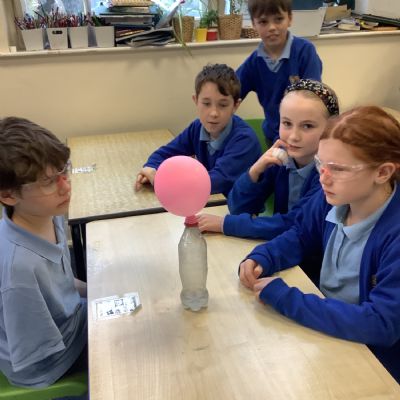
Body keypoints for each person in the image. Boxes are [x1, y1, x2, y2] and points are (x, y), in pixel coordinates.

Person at [239, 106, 400, 383]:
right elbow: (301, 235)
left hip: (376, 364)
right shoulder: (334, 198)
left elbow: (381, 323)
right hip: (330, 331)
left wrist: (287, 299)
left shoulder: (394, 233)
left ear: (383, 172)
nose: (323, 177)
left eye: (337, 169)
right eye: (320, 164)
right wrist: (265, 256)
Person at [0, 117, 88, 389]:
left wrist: (97, 291)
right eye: (48, 182)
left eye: (64, 170)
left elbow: (60, 285)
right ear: (8, 195)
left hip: (69, 323)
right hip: (50, 361)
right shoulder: (20, 271)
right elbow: (35, 350)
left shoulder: (47, 214)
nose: (65, 186)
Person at [197, 80, 339, 244]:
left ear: (330, 129)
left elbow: (294, 224)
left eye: (307, 126)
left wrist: (226, 224)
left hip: (311, 257)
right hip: (282, 247)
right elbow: (237, 208)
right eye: (287, 123)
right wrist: (255, 172)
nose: (294, 136)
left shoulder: (328, 174)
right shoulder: (282, 158)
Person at [135, 63, 262, 197]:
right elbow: (164, 154)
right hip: (207, 201)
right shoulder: (197, 127)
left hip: (237, 208)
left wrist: (163, 181)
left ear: (235, 105)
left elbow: (216, 181)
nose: (213, 113)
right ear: (196, 100)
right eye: (206, 104)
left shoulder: (245, 140)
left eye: (223, 105)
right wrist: (151, 168)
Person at [237, 0, 322, 145]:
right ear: (253, 24)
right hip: (273, 138)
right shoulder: (253, 63)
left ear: (290, 18)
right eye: (263, 21)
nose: (272, 27)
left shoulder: (305, 52)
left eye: (278, 19)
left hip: (303, 138)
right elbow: (229, 92)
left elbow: (312, 100)